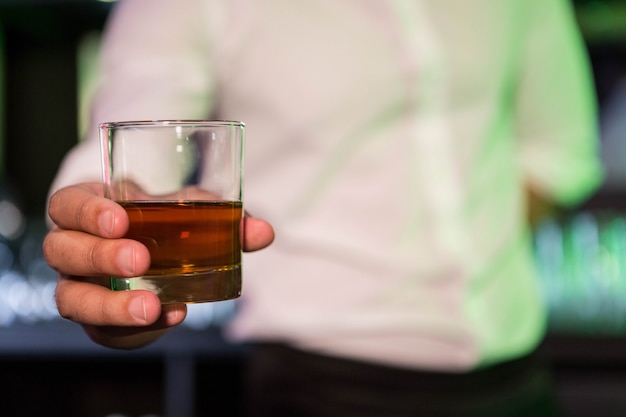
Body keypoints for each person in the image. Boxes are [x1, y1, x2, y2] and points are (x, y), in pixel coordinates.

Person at [44, 0, 604, 415]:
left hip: (520, 380)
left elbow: (557, 150)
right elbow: (122, 159)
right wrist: (106, 257)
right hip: (318, 389)